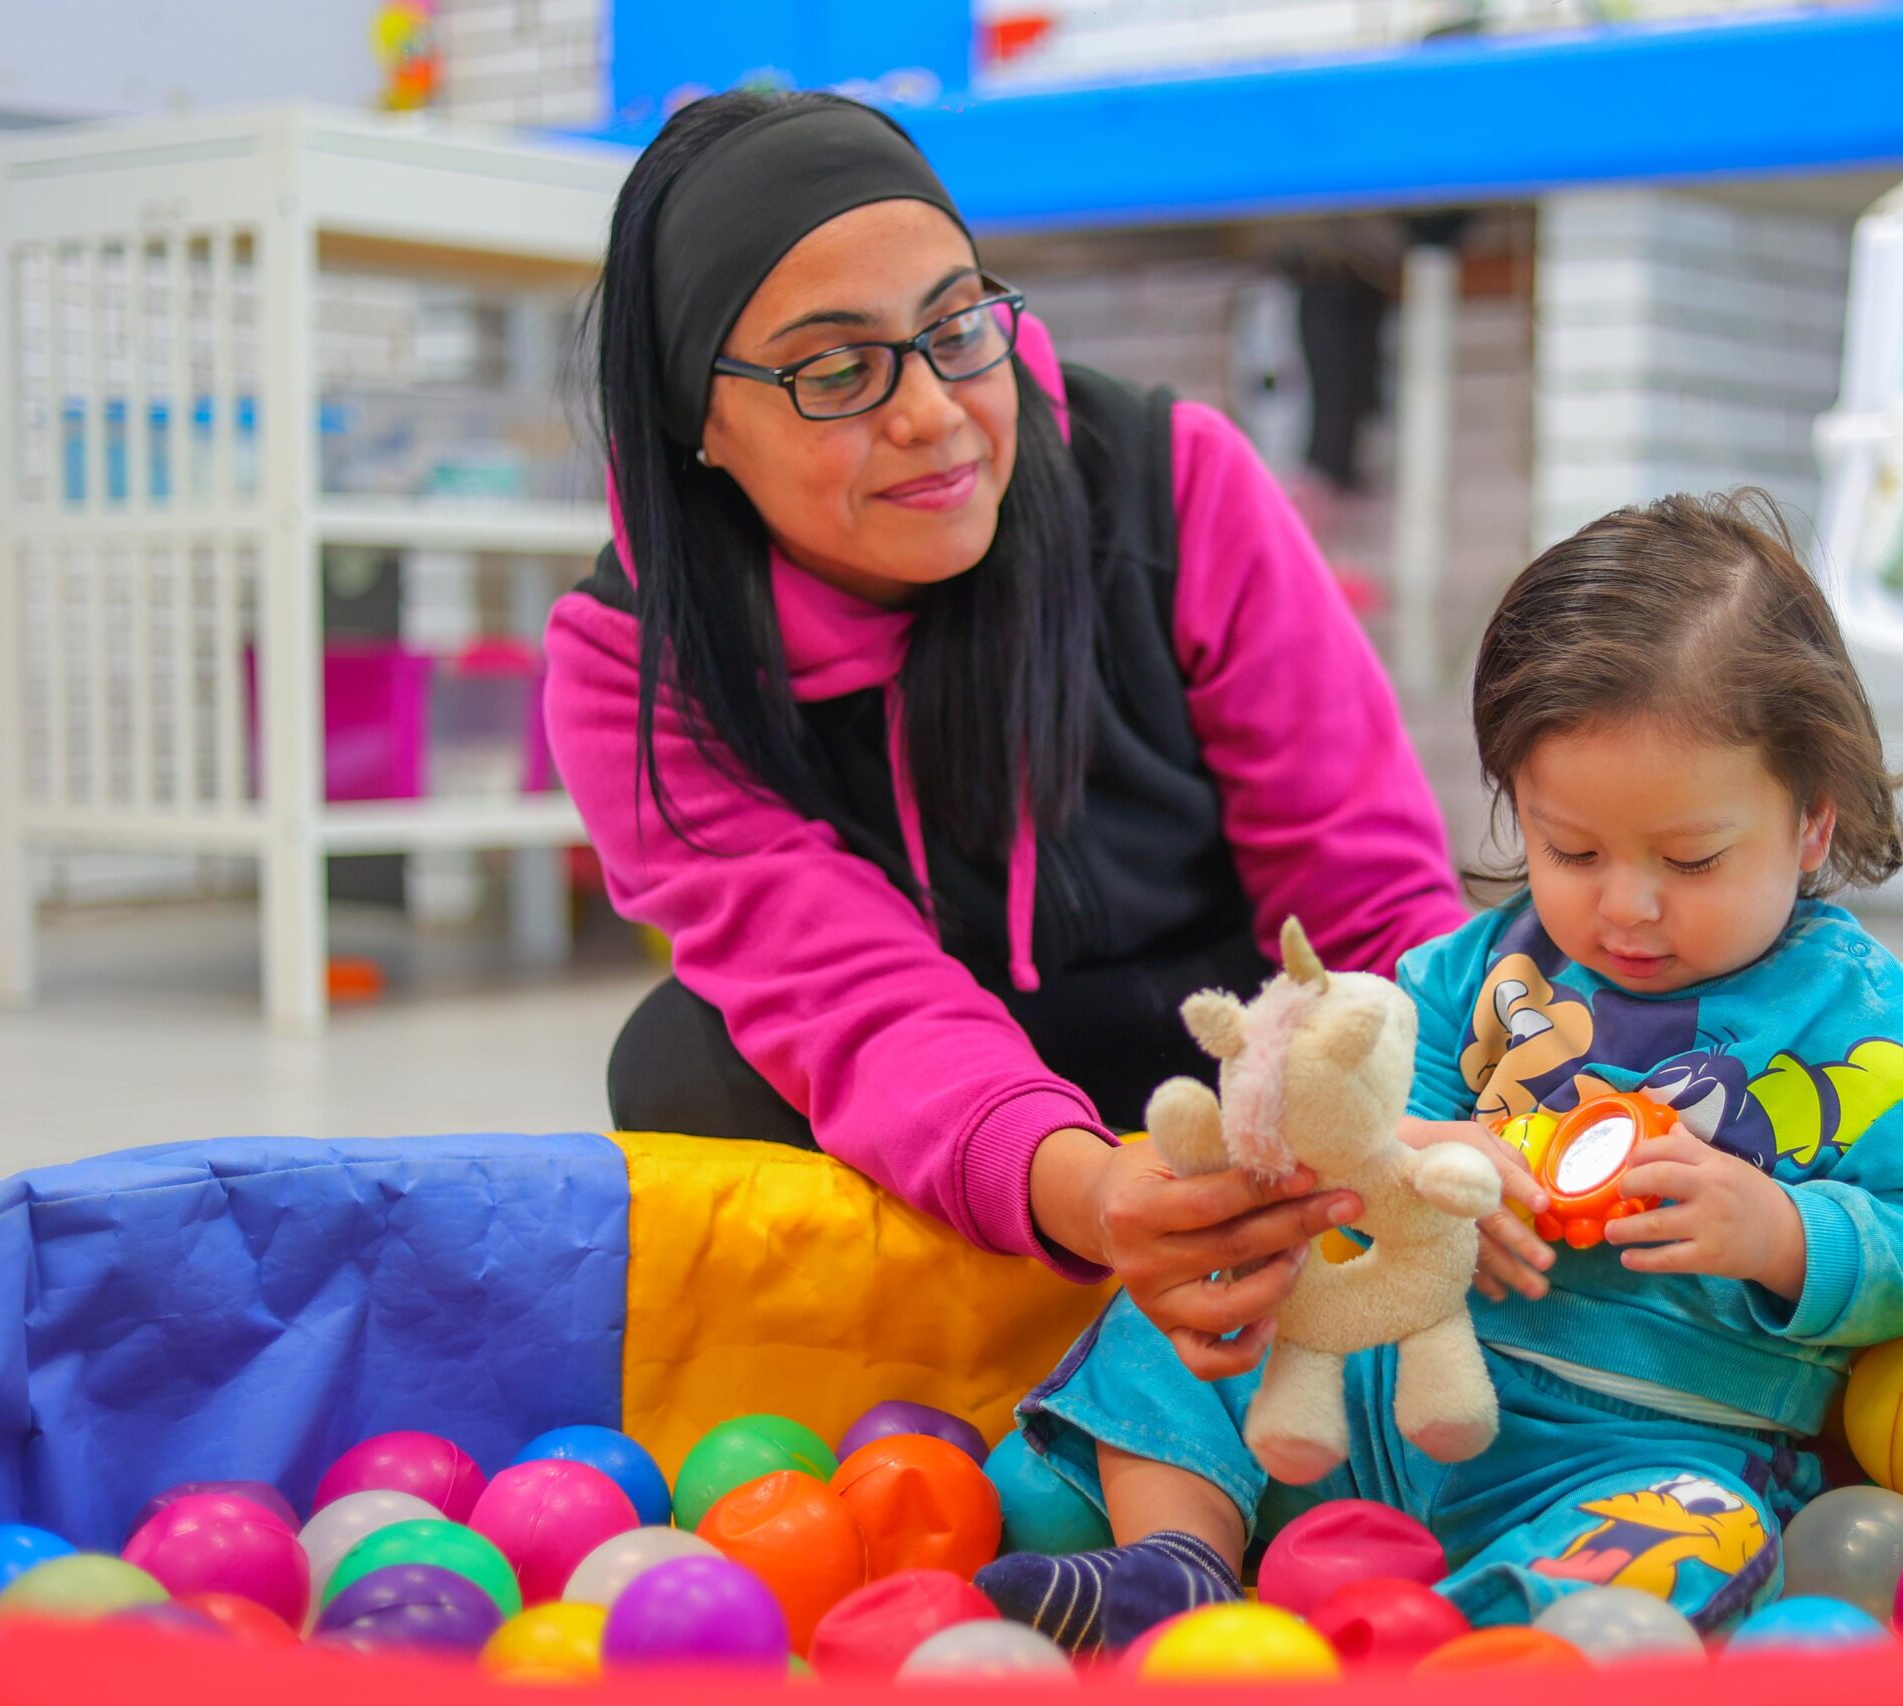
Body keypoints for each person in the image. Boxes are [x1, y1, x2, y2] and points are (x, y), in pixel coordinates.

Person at [975, 491, 1903, 1645]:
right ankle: (1176, 1562)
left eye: (1691, 858)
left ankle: (1454, 1642)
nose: (1627, 905)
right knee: (1212, 1279)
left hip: (1642, 1448)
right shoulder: (1484, 970)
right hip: (1379, 1391)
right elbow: (1360, 1130)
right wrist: (1426, 1155)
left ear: (1810, 821)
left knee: (1707, 1532)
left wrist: (1780, 1232)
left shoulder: (1867, 1029)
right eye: (1572, 848)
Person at [544, 90, 1471, 1352]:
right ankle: (940, 1355)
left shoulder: (1171, 481)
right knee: (682, 1061)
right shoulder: (636, 661)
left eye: (956, 326)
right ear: (694, 417)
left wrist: (1426, 1124)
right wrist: (1083, 1190)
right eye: (836, 370)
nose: (931, 412)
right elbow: (847, 996)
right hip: (949, 1092)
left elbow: (1364, 889)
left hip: (1227, 1050)